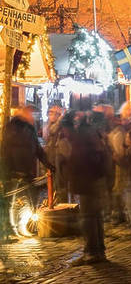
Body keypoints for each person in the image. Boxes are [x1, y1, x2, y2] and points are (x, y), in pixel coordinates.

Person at [65, 112, 110, 266]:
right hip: (95, 178)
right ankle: (98, 250)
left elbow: (80, 158)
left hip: (87, 180)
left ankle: (91, 252)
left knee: (89, 218)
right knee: (95, 217)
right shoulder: (92, 133)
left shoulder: (83, 135)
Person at [1, 106, 54, 237]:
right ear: (24, 115)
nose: (33, 118)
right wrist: (6, 171)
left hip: (27, 170)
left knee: (30, 199)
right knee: (13, 201)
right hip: (14, 170)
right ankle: (10, 228)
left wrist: (48, 165)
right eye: (32, 115)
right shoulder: (12, 127)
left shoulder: (30, 129)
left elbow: (37, 148)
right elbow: (6, 150)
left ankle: (24, 225)